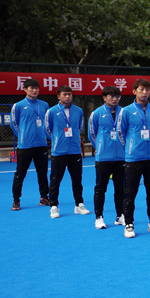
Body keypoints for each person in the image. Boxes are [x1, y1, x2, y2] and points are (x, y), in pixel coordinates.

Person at [118, 79, 150, 238]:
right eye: (141, 89)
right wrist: (130, 149)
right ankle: (129, 223)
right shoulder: (126, 111)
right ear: (134, 91)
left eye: (147, 89)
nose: (144, 92)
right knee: (130, 192)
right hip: (133, 158)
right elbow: (120, 133)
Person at [45, 85, 89, 219]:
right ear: (58, 96)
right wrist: (57, 139)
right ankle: (53, 206)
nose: (68, 96)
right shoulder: (51, 111)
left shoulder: (78, 111)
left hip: (75, 150)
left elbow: (79, 127)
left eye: (69, 94)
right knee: (55, 179)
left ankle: (79, 204)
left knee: (77, 179)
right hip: (59, 151)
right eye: (64, 94)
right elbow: (47, 129)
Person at [10, 78, 50, 211]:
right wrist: (23, 135)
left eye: (36, 88)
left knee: (42, 172)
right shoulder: (18, 105)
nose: (34, 90)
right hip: (25, 145)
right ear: (25, 90)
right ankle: (16, 199)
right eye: (31, 88)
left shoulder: (44, 105)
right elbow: (14, 123)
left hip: (41, 144)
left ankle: (44, 197)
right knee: (20, 174)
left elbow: (47, 122)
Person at [88, 86, 126, 229]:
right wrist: (100, 147)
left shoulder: (124, 112)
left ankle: (120, 215)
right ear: (104, 98)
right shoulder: (97, 113)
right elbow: (92, 134)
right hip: (103, 157)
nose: (114, 99)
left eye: (117, 97)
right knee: (100, 188)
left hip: (122, 157)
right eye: (111, 96)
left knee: (121, 188)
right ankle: (99, 217)